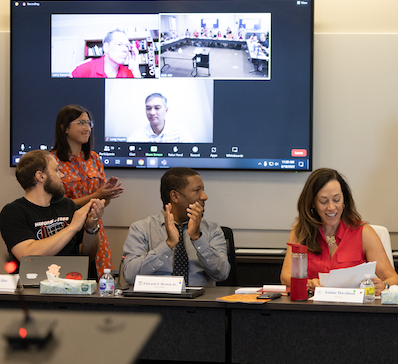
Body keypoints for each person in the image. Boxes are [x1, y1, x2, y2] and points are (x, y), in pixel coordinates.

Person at [280, 168, 398, 295]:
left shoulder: (364, 233)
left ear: (344, 200)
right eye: (323, 201)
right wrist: (308, 283)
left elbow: (394, 279)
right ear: (312, 203)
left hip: (354, 310)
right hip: (312, 309)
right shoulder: (300, 231)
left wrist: (384, 285)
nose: (331, 207)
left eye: (336, 200)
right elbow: (285, 277)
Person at [122, 168, 230, 286]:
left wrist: (197, 238)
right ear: (175, 196)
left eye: (203, 190)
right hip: (156, 300)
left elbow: (222, 274)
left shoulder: (212, 229)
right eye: (197, 190)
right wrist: (168, 245)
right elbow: (130, 275)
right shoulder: (141, 229)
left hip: (199, 301)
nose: (204, 196)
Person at [0, 150, 105, 272]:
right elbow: (28, 255)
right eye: (56, 170)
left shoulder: (67, 205)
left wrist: (91, 228)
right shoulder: (13, 212)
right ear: (40, 176)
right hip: (34, 287)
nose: (62, 175)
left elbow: (88, 256)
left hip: (74, 283)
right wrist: (73, 227)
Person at [51, 104, 124, 278]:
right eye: (81, 122)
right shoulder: (52, 161)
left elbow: (103, 201)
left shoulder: (95, 158)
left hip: (95, 229)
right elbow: (56, 205)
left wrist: (106, 195)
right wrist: (96, 195)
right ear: (64, 128)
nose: (87, 128)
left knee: (100, 282)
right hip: (65, 232)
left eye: (89, 123)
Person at [71, 29, 142, 78]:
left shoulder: (128, 73)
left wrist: (135, 70)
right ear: (106, 47)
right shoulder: (85, 68)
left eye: (127, 46)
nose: (125, 50)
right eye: (119, 44)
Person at [127, 93, 194, 143]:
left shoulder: (180, 132)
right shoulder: (137, 136)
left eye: (157, 108)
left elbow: (191, 159)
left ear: (166, 110)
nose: (152, 112)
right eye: (148, 108)